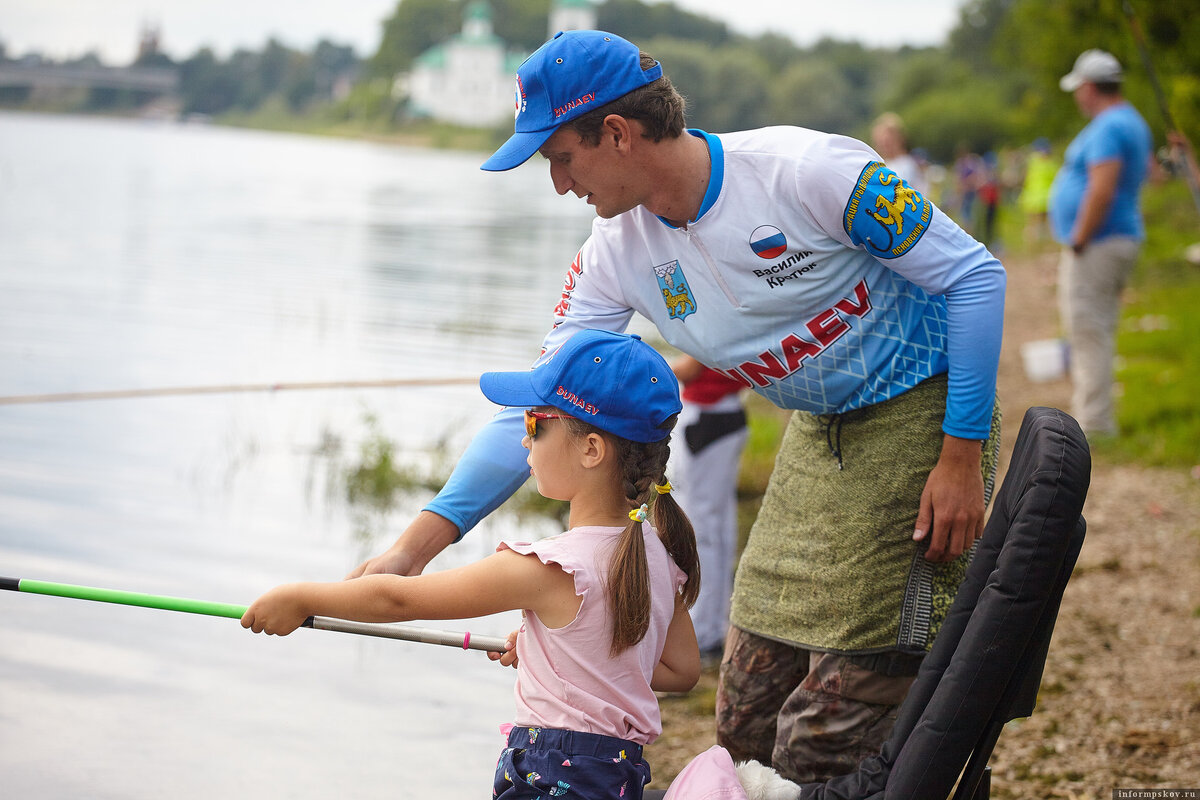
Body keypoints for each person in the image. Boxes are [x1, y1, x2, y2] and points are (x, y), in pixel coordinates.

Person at [349, 30, 1006, 782]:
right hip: (818, 425)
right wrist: (412, 551)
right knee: (749, 711)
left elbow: (977, 280)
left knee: (832, 726)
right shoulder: (613, 254)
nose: (560, 184)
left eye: (561, 158)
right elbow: (536, 409)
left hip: (923, 407)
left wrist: (960, 453)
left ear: (619, 134)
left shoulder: (813, 174)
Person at [244, 329, 702, 800]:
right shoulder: (656, 554)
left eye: (533, 424)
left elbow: (397, 598)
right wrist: (568, 660)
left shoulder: (549, 568)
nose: (524, 442)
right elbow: (682, 670)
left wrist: (297, 597)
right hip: (616, 777)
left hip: (550, 779)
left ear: (591, 449)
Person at [1048, 49, 1152, 437]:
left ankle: (1092, 425)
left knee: (1088, 329)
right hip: (1116, 238)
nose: (1078, 97)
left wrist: (1079, 238)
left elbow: (1102, 189)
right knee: (1096, 328)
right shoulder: (1131, 120)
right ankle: (1096, 418)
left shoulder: (1109, 126)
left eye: (1079, 89)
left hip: (1099, 242)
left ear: (1090, 88)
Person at [669, 353, 748, 663]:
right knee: (719, 526)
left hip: (707, 416)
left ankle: (703, 634)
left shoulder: (710, 313)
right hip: (727, 414)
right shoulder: (737, 308)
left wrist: (650, 364)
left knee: (699, 531)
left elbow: (688, 368)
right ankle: (713, 627)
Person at [870, 111, 928, 195]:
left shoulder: (908, 164)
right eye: (880, 142)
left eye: (888, 141)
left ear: (900, 139)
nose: (884, 146)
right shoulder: (881, 166)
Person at [1018, 138, 1057, 245]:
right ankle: (1043, 243)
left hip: (1033, 196)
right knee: (1044, 223)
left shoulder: (1031, 162)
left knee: (1034, 223)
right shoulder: (1049, 163)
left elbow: (1024, 177)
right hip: (1045, 196)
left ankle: (1034, 244)